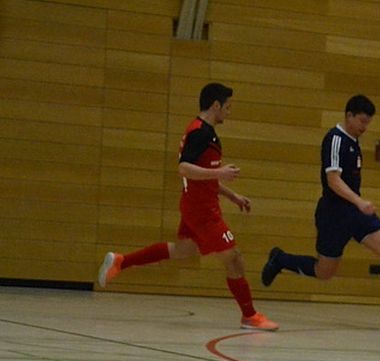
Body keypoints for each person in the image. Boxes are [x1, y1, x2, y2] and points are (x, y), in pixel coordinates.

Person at [97, 83, 278, 331]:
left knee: (182, 250)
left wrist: (231, 195)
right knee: (234, 260)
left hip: (196, 205)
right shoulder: (200, 133)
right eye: (227, 107)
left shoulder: (205, 132)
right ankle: (249, 316)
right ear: (215, 105)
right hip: (202, 211)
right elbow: (184, 168)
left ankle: (121, 261)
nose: (229, 111)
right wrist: (220, 173)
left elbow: (203, 176)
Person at [260, 95, 380, 326]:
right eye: (361, 121)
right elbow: (333, 180)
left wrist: (358, 206)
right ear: (348, 116)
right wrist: (359, 202)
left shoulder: (354, 141)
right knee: (324, 272)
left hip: (355, 214)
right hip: (334, 214)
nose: (364, 127)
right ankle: (280, 260)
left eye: (368, 123)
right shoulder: (335, 139)